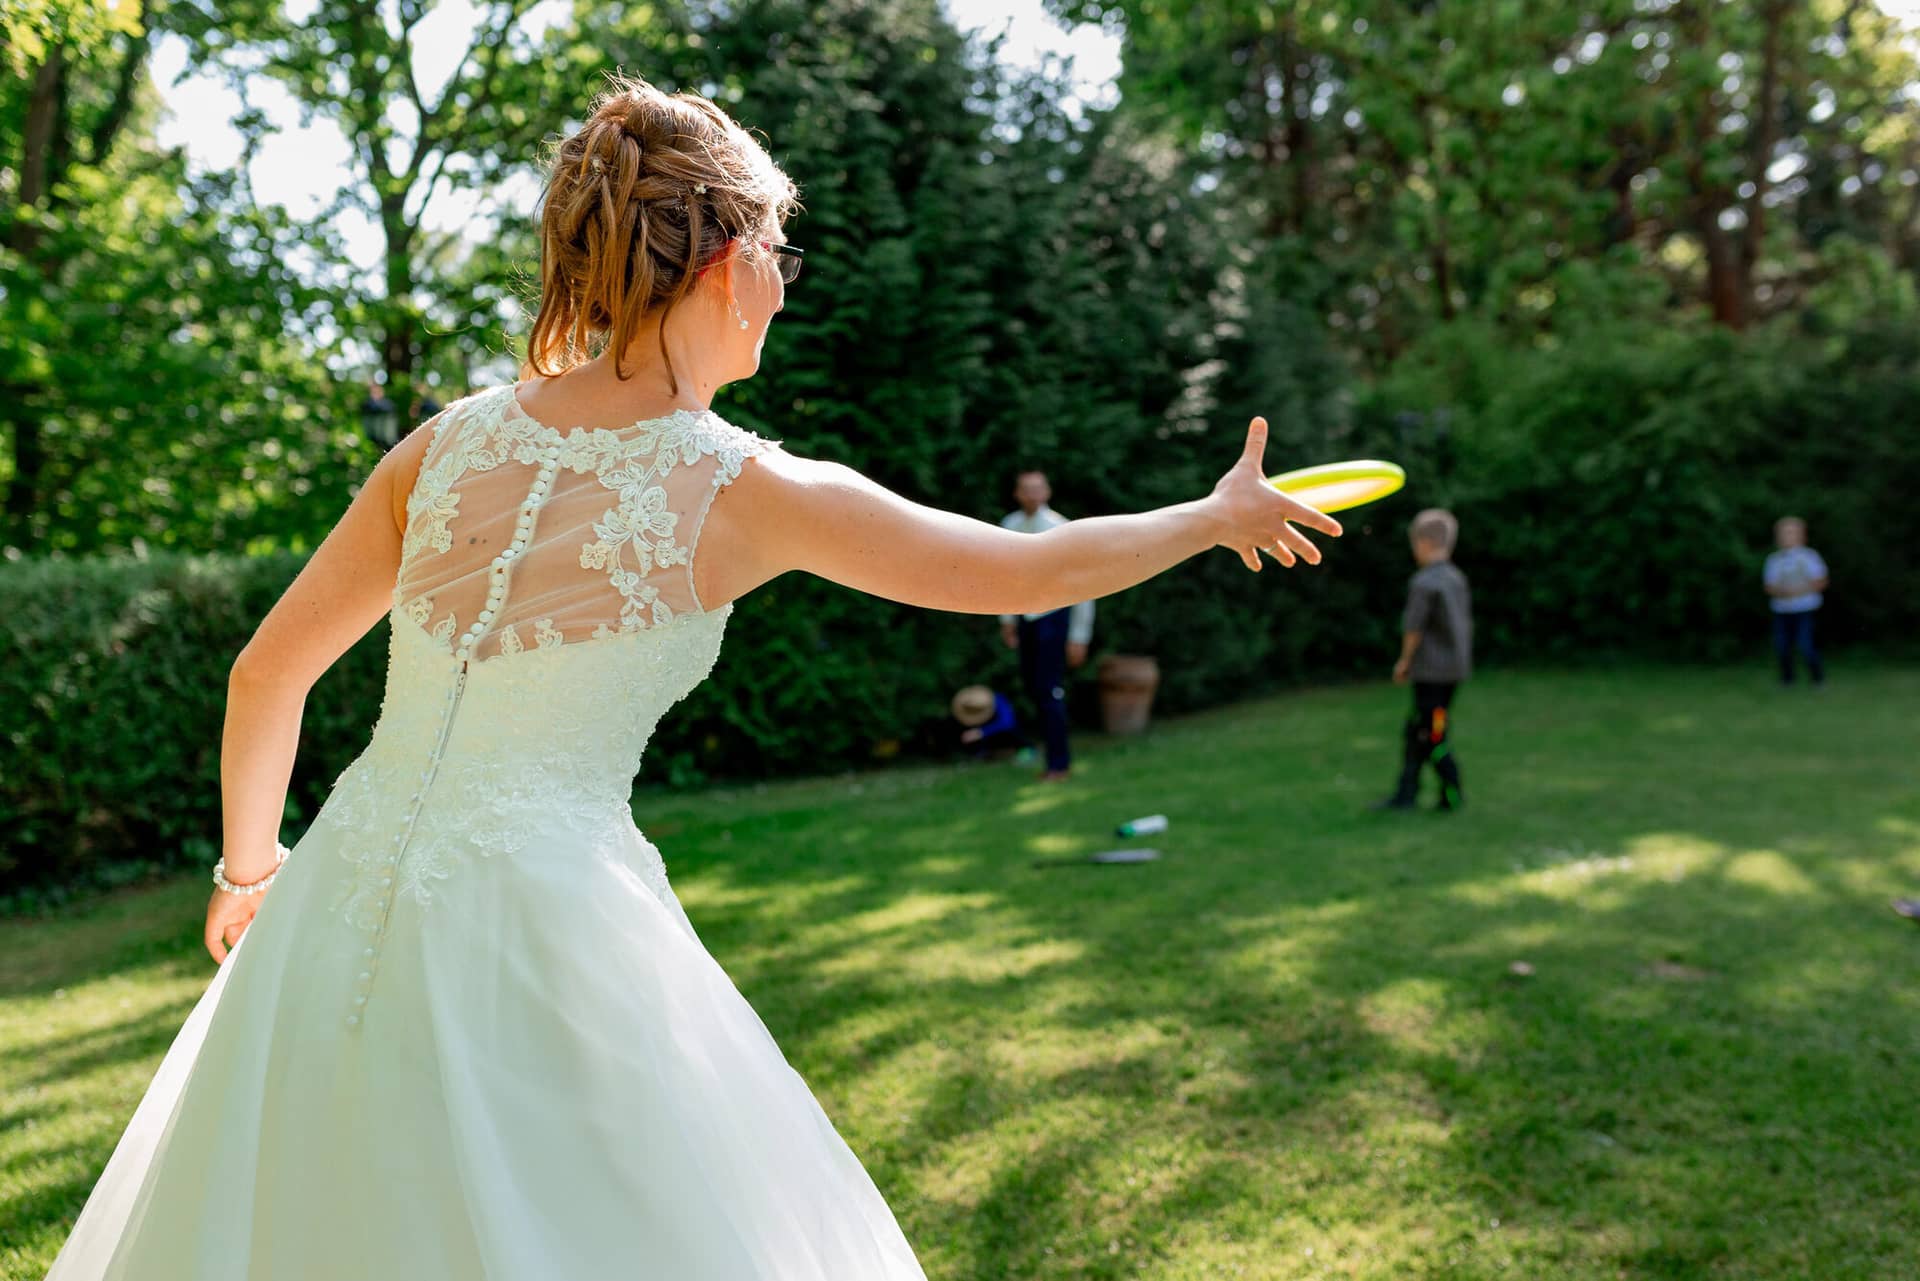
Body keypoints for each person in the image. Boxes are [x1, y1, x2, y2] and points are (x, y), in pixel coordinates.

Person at [41, 76, 1340, 1281]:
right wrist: (1207, 515)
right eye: (778, 254)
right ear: (726, 267)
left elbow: (267, 673)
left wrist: (250, 873)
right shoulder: (739, 488)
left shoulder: (437, 451)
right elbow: (1009, 573)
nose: (783, 287)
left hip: (333, 914)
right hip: (545, 938)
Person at [997, 469, 1095, 780]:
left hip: (1053, 617)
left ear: (1047, 492)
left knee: (1048, 689)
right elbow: (1005, 578)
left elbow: (1081, 586)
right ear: (1017, 493)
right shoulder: (1009, 526)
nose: (1032, 495)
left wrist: (1079, 636)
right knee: (1033, 687)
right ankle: (1047, 755)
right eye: (1026, 489)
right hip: (1025, 618)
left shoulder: (1060, 528)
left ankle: (1059, 763)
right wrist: (1007, 619)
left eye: (1038, 489)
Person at [1374, 508, 1471, 813]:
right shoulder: (1456, 578)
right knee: (1418, 731)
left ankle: (1452, 793)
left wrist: (1404, 662)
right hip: (1452, 672)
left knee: (1432, 735)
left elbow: (1413, 629)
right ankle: (1406, 794)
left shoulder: (1424, 582)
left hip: (1431, 674)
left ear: (1425, 543)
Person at [1764, 515, 1828, 686]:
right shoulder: (1774, 560)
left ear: (1802, 535)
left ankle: (1817, 679)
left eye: (1791, 533)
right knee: (1782, 647)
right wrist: (1784, 592)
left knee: (1807, 645)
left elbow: (1820, 581)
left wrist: (1799, 591)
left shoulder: (1810, 557)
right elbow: (1769, 586)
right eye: (1784, 534)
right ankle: (1788, 679)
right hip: (1782, 611)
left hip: (1805, 610)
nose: (1787, 537)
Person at [950, 683, 1026, 758]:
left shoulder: (998, 700)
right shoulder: (969, 709)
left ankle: (1022, 749)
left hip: (1005, 733)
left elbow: (1008, 723)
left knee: (1012, 731)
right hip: (988, 738)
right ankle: (983, 754)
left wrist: (981, 732)